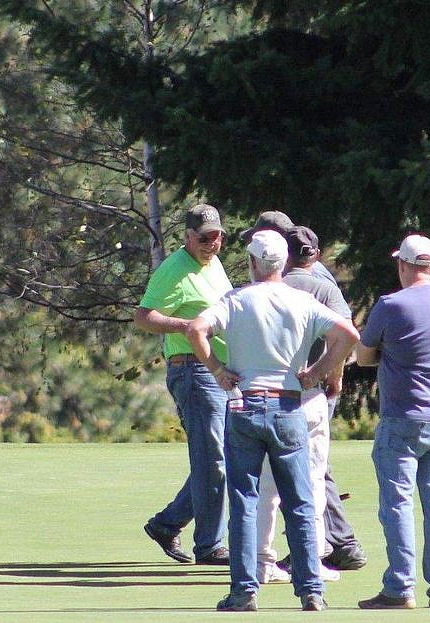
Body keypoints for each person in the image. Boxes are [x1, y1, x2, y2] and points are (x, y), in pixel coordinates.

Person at [186, 230, 359, 612]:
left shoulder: (235, 299)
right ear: (282, 263)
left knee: (245, 501)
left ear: (251, 262)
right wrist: (317, 372)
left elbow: (196, 329)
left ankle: (244, 592)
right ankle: (311, 591)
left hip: (245, 405)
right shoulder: (301, 300)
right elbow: (348, 334)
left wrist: (216, 369)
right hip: (289, 406)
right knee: (299, 500)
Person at [241, 210, 368, 571]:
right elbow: (345, 335)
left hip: (282, 391)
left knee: (282, 478)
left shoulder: (269, 287)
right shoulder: (322, 281)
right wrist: (330, 374)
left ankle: (313, 549)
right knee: (314, 471)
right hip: (314, 387)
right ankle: (323, 549)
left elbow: (342, 332)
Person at [356, 234, 430, 610]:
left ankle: (400, 588)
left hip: (403, 418)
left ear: (403, 265)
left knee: (397, 503)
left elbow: (364, 356)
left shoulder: (390, 304)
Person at [134, 204, 232, 566]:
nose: (212, 244)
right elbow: (143, 317)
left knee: (218, 459)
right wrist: (187, 327)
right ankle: (209, 545)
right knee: (213, 459)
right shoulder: (173, 269)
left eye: (218, 236)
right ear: (188, 237)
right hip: (192, 370)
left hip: (217, 369)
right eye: (204, 238)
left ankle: (167, 524)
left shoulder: (214, 264)